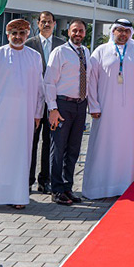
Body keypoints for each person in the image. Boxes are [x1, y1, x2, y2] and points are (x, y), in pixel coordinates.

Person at [0, 18, 44, 213]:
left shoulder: (34, 57)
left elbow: (40, 89)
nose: (18, 37)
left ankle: (17, 196)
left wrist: (38, 114)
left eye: (22, 33)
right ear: (8, 35)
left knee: (19, 157)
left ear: (27, 35)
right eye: (14, 33)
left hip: (24, 118)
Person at [82, 18, 134, 198]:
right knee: (103, 146)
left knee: (126, 147)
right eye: (119, 30)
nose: (123, 34)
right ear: (113, 31)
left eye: (126, 31)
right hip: (105, 110)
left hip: (129, 112)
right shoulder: (100, 51)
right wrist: (93, 105)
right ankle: (98, 188)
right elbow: (91, 80)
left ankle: (124, 186)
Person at [45, 19, 91, 206]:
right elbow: (49, 82)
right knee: (58, 148)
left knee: (73, 149)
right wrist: (52, 109)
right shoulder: (59, 52)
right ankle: (56, 189)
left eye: (81, 31)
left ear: (85, 33)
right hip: (62, 105)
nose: (78, 34)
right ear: (68, 32)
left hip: (80, 106)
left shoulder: (86, 52)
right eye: (74, 31)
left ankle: (67, 187)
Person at [25, 11, 62, 192]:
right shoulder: (29, 45)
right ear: (37, 24)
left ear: (54, 23)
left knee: (49, 140)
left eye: (49, 22)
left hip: (53, 102)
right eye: (43, 22)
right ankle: (27, 179)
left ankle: (44, 180)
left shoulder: (62, 46)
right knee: (31, 140)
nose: (46, 24)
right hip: (33, 100)